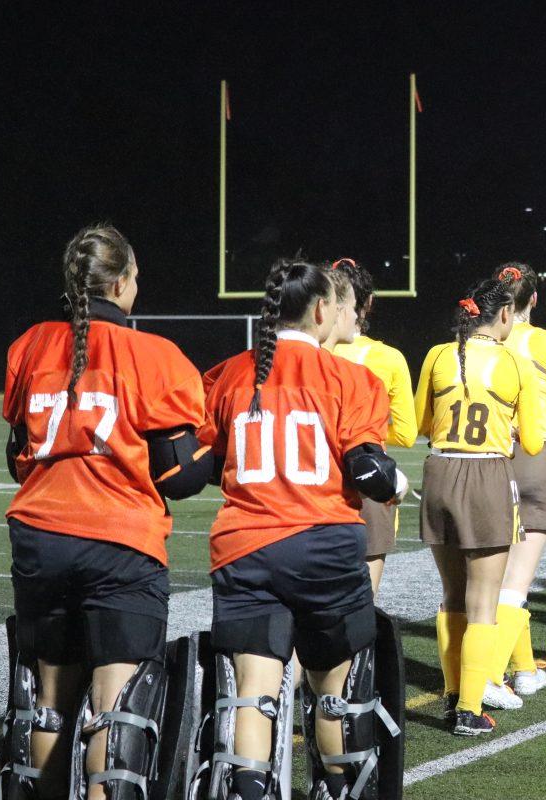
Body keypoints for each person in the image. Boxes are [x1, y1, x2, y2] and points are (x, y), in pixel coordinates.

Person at [0, 225, 209, 800]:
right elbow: (180, 475)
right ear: (121, 282)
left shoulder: (30, 344)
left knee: (49, 701)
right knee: (119, 709)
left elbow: (18, 454)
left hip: (40, 535)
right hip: (121, 540)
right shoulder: (155, 355)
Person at [199, 258, 402, 797]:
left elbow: (200, 463)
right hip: (323, 546)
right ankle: (338, 788)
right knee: (336, 694)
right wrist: (398, 485)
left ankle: (246, 787)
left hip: (246, 546)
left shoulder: (229, 374)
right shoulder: (352, 377)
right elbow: (369, 471)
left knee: (254, 694)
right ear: (319, 309)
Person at [415, 276, 544, 734]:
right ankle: (470, 709)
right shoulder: (514, 361)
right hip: (487, 474)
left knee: (452, 596)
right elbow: (531, 441)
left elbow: (421, 423)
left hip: (439, 471)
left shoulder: (436, 354)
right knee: (484, 600)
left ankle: (453, 697)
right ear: (505, 314)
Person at [484, 263, 546, 706]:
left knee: (490, 579)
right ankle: (485, 677)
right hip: (534, 456)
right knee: (515, 582)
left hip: (485, 459)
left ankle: (522, 670)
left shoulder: (475, 340)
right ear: (533, 300)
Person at [328, 258, 418, 596]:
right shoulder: (390, 358)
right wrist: (374, 431)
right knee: (362, 602)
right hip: (369, 474)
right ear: (368, 303)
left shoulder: (307, 356)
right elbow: (407, 434)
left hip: (313, 475)